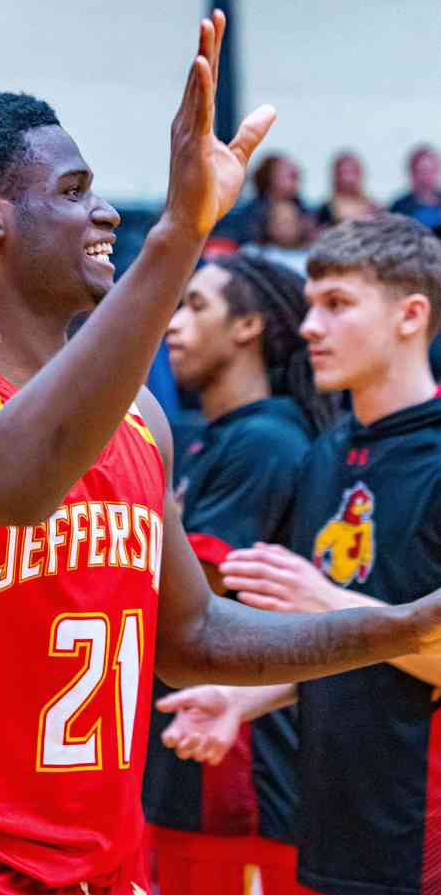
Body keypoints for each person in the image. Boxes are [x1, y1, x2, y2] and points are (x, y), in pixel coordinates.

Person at [0, 12, 441, 895]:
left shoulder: (141, 418)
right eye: (73, 189)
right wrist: (179, 233)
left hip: (107, 865)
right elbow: (21, 478)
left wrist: (404, 626)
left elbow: (190, 634)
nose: (105, 209)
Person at [161, 214, 441, 895]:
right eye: (311, 304)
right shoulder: (324, 454)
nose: (309, 326)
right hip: (328, 829)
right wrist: (242, 699)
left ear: (410, 315)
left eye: (337, 305)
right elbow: (348, 655)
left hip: (422, 844)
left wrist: (326, 604)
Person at [143, 254, 338, 894]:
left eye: (197, 306)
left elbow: (198, 592)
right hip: (197, 747)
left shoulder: (265, 441)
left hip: (238, 770)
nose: (174, 324)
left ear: (249, 325)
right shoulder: (218, 438)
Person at [315, 151, 379, 228]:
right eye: (344, 173)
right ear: (336, 176)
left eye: (353, 172)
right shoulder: (325, 210)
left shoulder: (374, 208)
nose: (348, 179)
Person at [391, 144, 441, 232]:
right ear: (412, 173)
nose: (427, 176)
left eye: (431, 170)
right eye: (422, 171)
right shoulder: (400, 207)